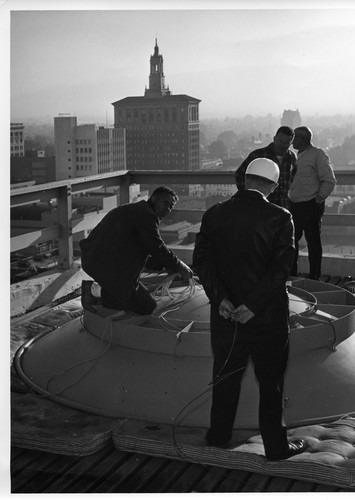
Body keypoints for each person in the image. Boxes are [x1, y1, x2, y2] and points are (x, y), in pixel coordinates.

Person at [193, 158, 306, 461]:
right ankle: (276, 447)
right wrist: (252, 306)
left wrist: (222, 300)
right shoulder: (281, 217)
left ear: (244, 179)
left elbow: (202, 262)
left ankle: (218, 436)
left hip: (226, 315)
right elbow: (280, 270)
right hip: (266, 316)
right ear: (272, 185)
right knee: (271, 384)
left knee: (225, 377)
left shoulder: (214, 214)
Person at [80, 186, 193, 315]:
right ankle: (93, 292)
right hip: (105, 265)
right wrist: (179, 265)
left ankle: (100, 293)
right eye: (165, 203)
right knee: (145, 305)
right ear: (154, 198)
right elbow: (157, 247)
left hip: (98, 259)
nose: (167, 209)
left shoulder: (138, 210)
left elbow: (143, 251)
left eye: (170, 207)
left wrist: (164, 266)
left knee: (136, 299)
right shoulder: (146, 216)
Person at [288, 126, 336, 280]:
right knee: (292, 241)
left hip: (310, 204)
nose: (292, 141)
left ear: (303, 139)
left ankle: (315, 275)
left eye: (294, 138)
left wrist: (318, 199)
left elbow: (329, 180)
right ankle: (292, 273)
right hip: (294, 204)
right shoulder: (296, 156)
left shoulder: (317, 155)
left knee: (313, 241)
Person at [234, 126, 297, 209]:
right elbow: (239, 174)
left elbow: (292, 177)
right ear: (274, 139)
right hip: (259, 206)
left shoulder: (292, 157)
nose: (282, 145)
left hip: (282, 205)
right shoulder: (258, 155)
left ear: (291, 143)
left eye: (286, 143)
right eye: (280, 141)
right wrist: (246, 194)